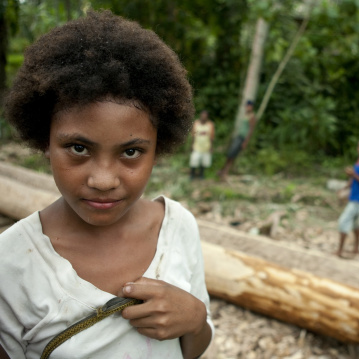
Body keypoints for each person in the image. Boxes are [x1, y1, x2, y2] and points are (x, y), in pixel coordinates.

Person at [0, 11, 213, 359]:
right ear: (44, 141)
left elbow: (193, 347)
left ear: (158, 147)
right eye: (78, 148)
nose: (103, 180)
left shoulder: (177, 227)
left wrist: (195, 318)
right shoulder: (9, 263)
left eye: (131, 152)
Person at [217, 100, 256, 181]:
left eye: (250, 106)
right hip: (238, 137)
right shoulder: (245, 115)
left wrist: (245, 142)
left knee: (232, 155)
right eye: (247, 106)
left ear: (251, 107)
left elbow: (251, 130)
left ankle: (225, 172)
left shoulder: (252, 116)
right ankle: (223, 171)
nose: (248, 107)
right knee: (230, 154)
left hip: (242, 138)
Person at [190, 110, 215, 180]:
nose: (203, 117)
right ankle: (192, 175)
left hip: (206, 147)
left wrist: (211, 147)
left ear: (207, 117)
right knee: (194, 161)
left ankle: (201, 175)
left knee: (204, 162)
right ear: (200, 116)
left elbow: (212, 137)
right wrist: (191, 145)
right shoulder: (196, 124)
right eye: (202, 115)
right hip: (197, 146)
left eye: (205, 116)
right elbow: (193, 135)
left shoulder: (210, 125)